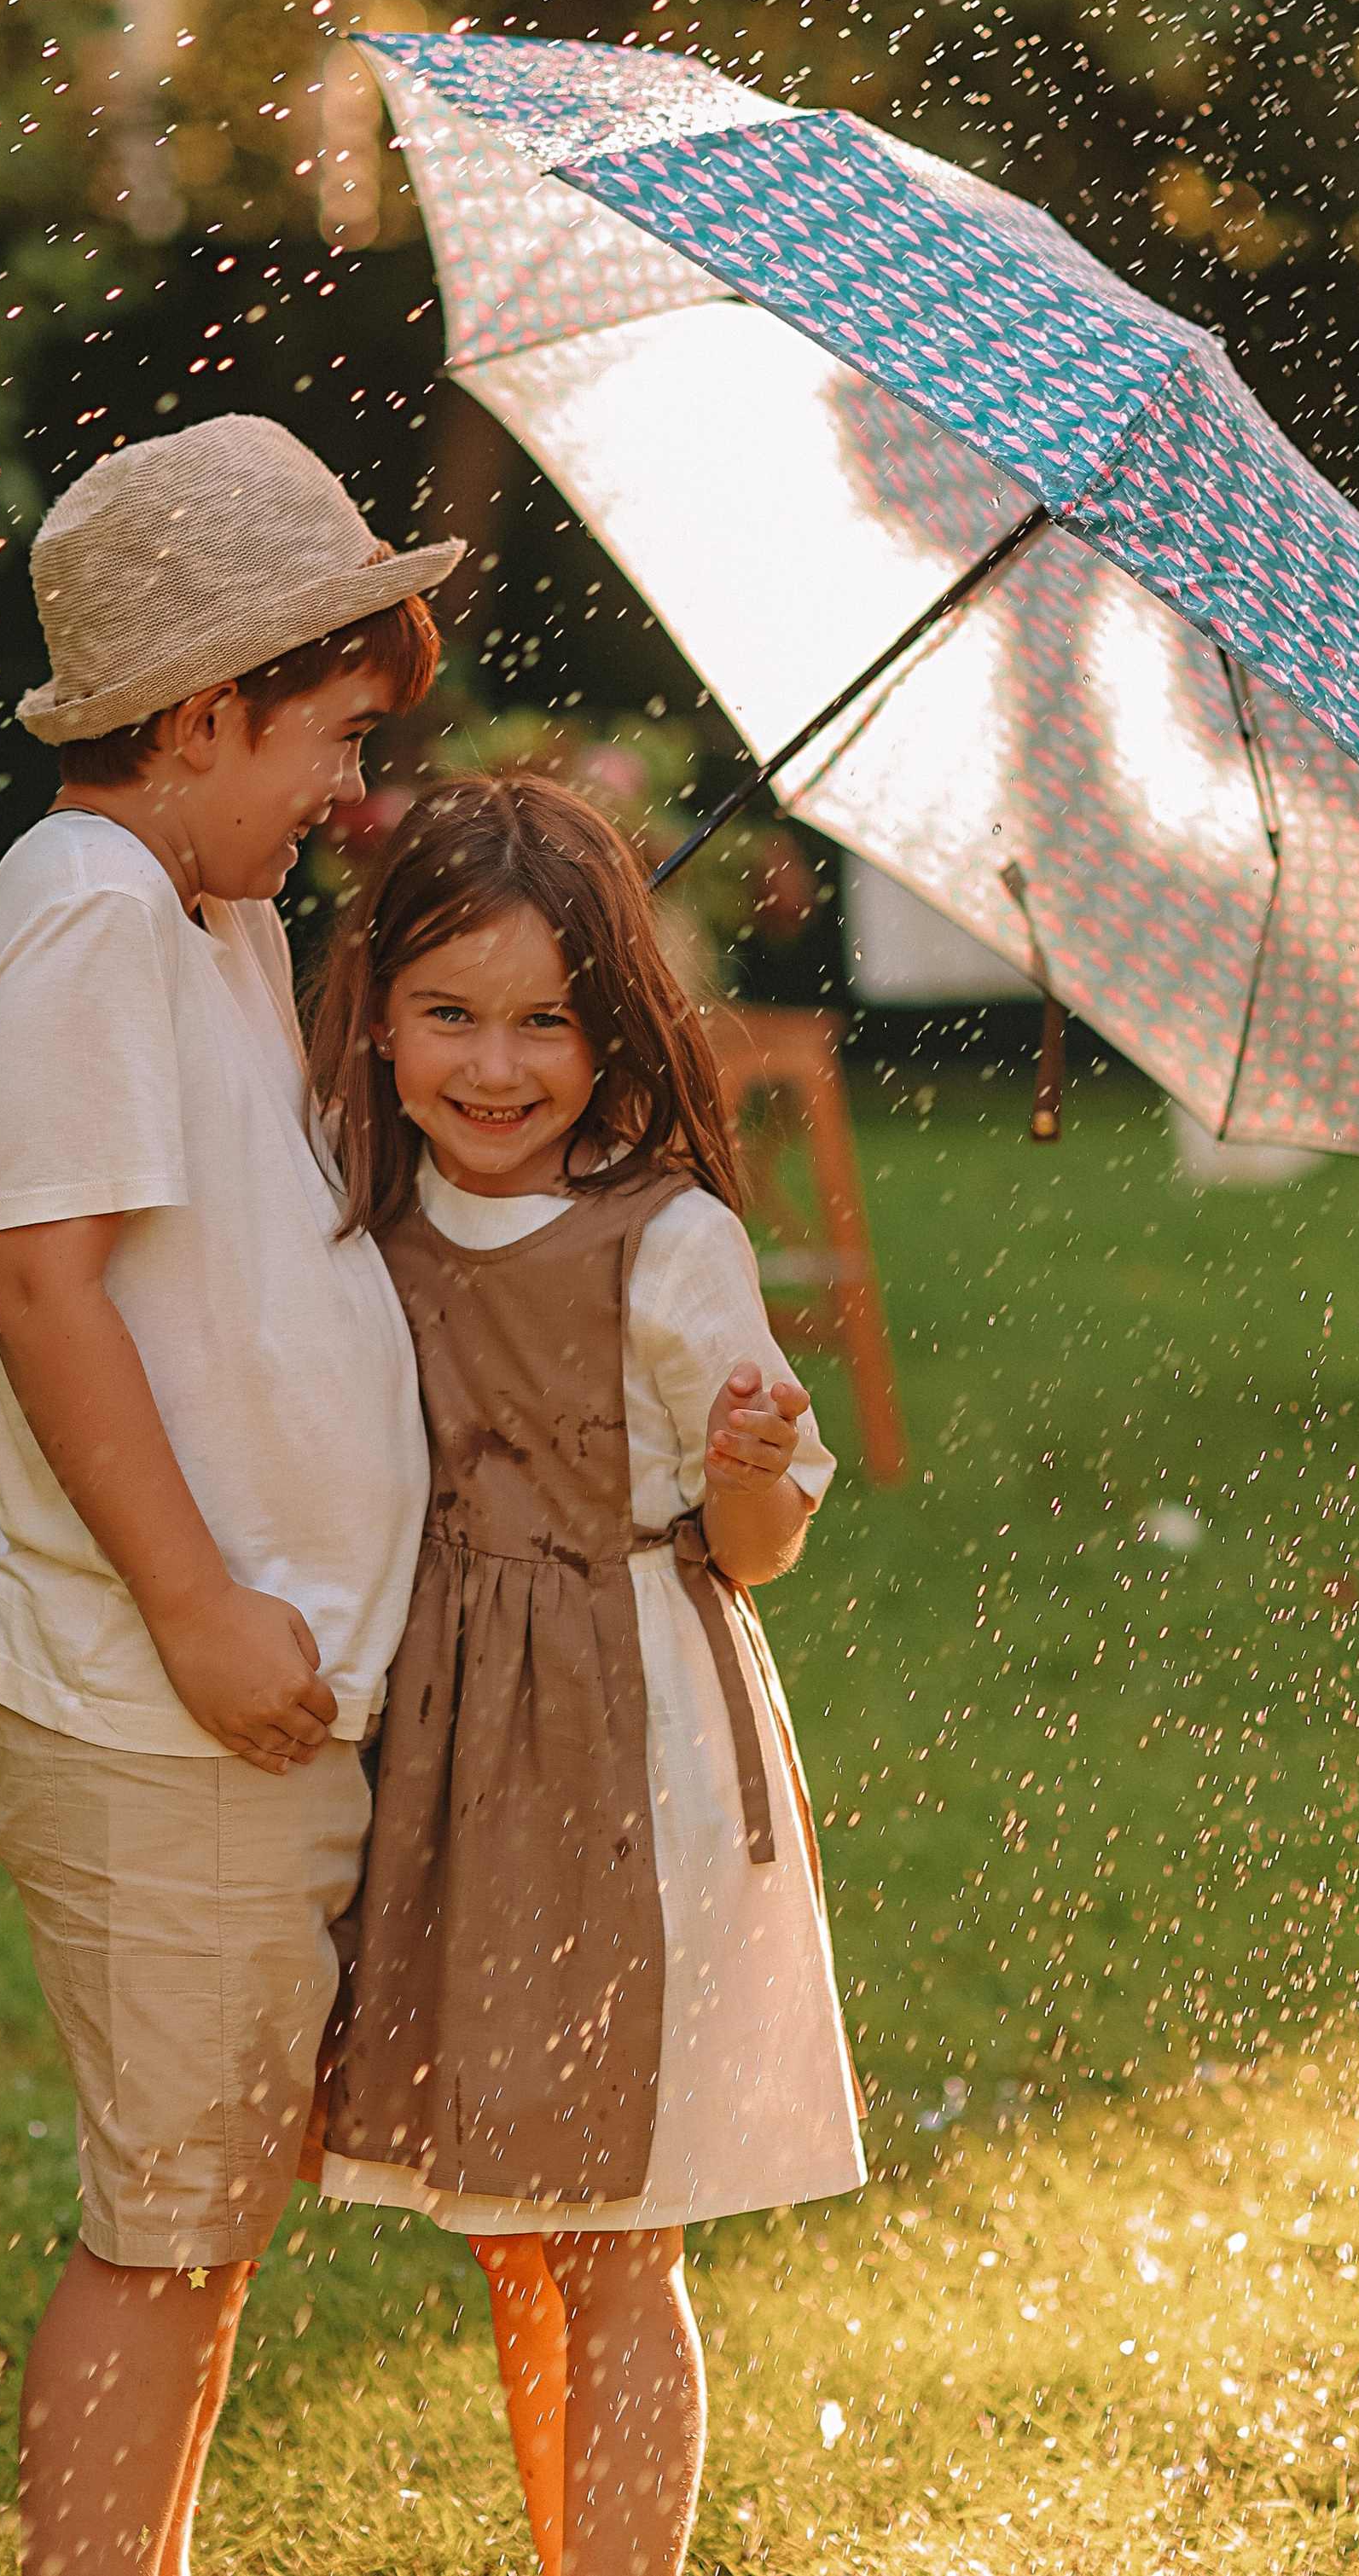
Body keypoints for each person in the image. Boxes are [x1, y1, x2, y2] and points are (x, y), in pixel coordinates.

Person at [0, 413, 466, 2576]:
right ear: (195, 714)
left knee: (209, 2215)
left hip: (254, 1704)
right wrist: (187, 1599)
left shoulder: (200, 906)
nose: (342, 792)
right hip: (169, 1712)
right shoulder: (84, 912)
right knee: (165, 2228)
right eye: (324, 741)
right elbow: (46, 1284)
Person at [311, 773, 867, 2576]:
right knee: (511, 2220)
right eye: (450, 1011)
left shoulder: (668, 1238)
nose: (495, 1063)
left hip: (636, 1766)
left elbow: (759, 1542)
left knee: (621, 2226)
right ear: (378, 1014)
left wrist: (742, 1470)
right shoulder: (360, 1224)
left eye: (546, 1017)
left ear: (608, 1022)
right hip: (455, 1770)